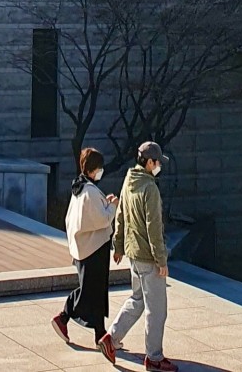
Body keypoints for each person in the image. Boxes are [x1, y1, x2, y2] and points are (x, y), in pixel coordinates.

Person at [98, 141, 178, 372]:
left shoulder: (129, 180)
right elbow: (154, 227)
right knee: (157, 309)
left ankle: (110, 339)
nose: (159, 166)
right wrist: (161, 261)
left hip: (134, 253)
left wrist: (119, 246)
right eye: (157, 162)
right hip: (148, 256)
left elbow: (120, 214)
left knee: (137, 300)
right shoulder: (150, 188)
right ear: (149, 162)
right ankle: (154, 357)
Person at [52, 146, 118, 349]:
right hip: (93, 249)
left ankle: (101, 334)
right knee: (91, 290)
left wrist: (104, 204)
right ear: (92, 169)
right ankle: (63, 316)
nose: (101, 171)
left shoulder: (80, 188)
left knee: (95, 291)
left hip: (85, 247)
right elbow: (100, 218)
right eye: (98, 168)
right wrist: (113, 205)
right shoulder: (88, 191)